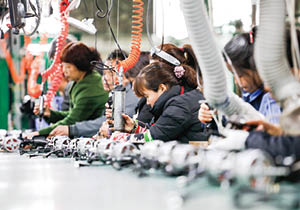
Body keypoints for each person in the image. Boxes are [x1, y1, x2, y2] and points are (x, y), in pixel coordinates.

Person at [49, 50, 149, 138]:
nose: (105, 78)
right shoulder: (113, 96)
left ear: (126, 75)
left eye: (111, 73)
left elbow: (111, 122)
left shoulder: (131, 97)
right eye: (104, 73)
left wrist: (72, 130)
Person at [102, 62, 208, 143]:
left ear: (161, 88)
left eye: (147, 96)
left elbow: (152, 139)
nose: (147, 103)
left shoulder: (179, 106)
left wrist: (117, 138)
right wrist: (134, 127)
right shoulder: (181, 98)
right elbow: (161, 131)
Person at [199, 28, 282, 125]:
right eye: (234, 75)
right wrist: (212, 117)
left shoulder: (272, 99)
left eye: (240, 75)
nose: (236, 81)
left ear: (259, 67)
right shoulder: (248, 96)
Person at [26, 42, 108, 138]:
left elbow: (74, 119)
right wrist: (50, 114)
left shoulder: (91, 88)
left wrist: (39, 134)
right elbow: (72, 114)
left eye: (68, 67)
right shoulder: (79, 82)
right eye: (63, 66)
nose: (64, 71)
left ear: (80, 65)